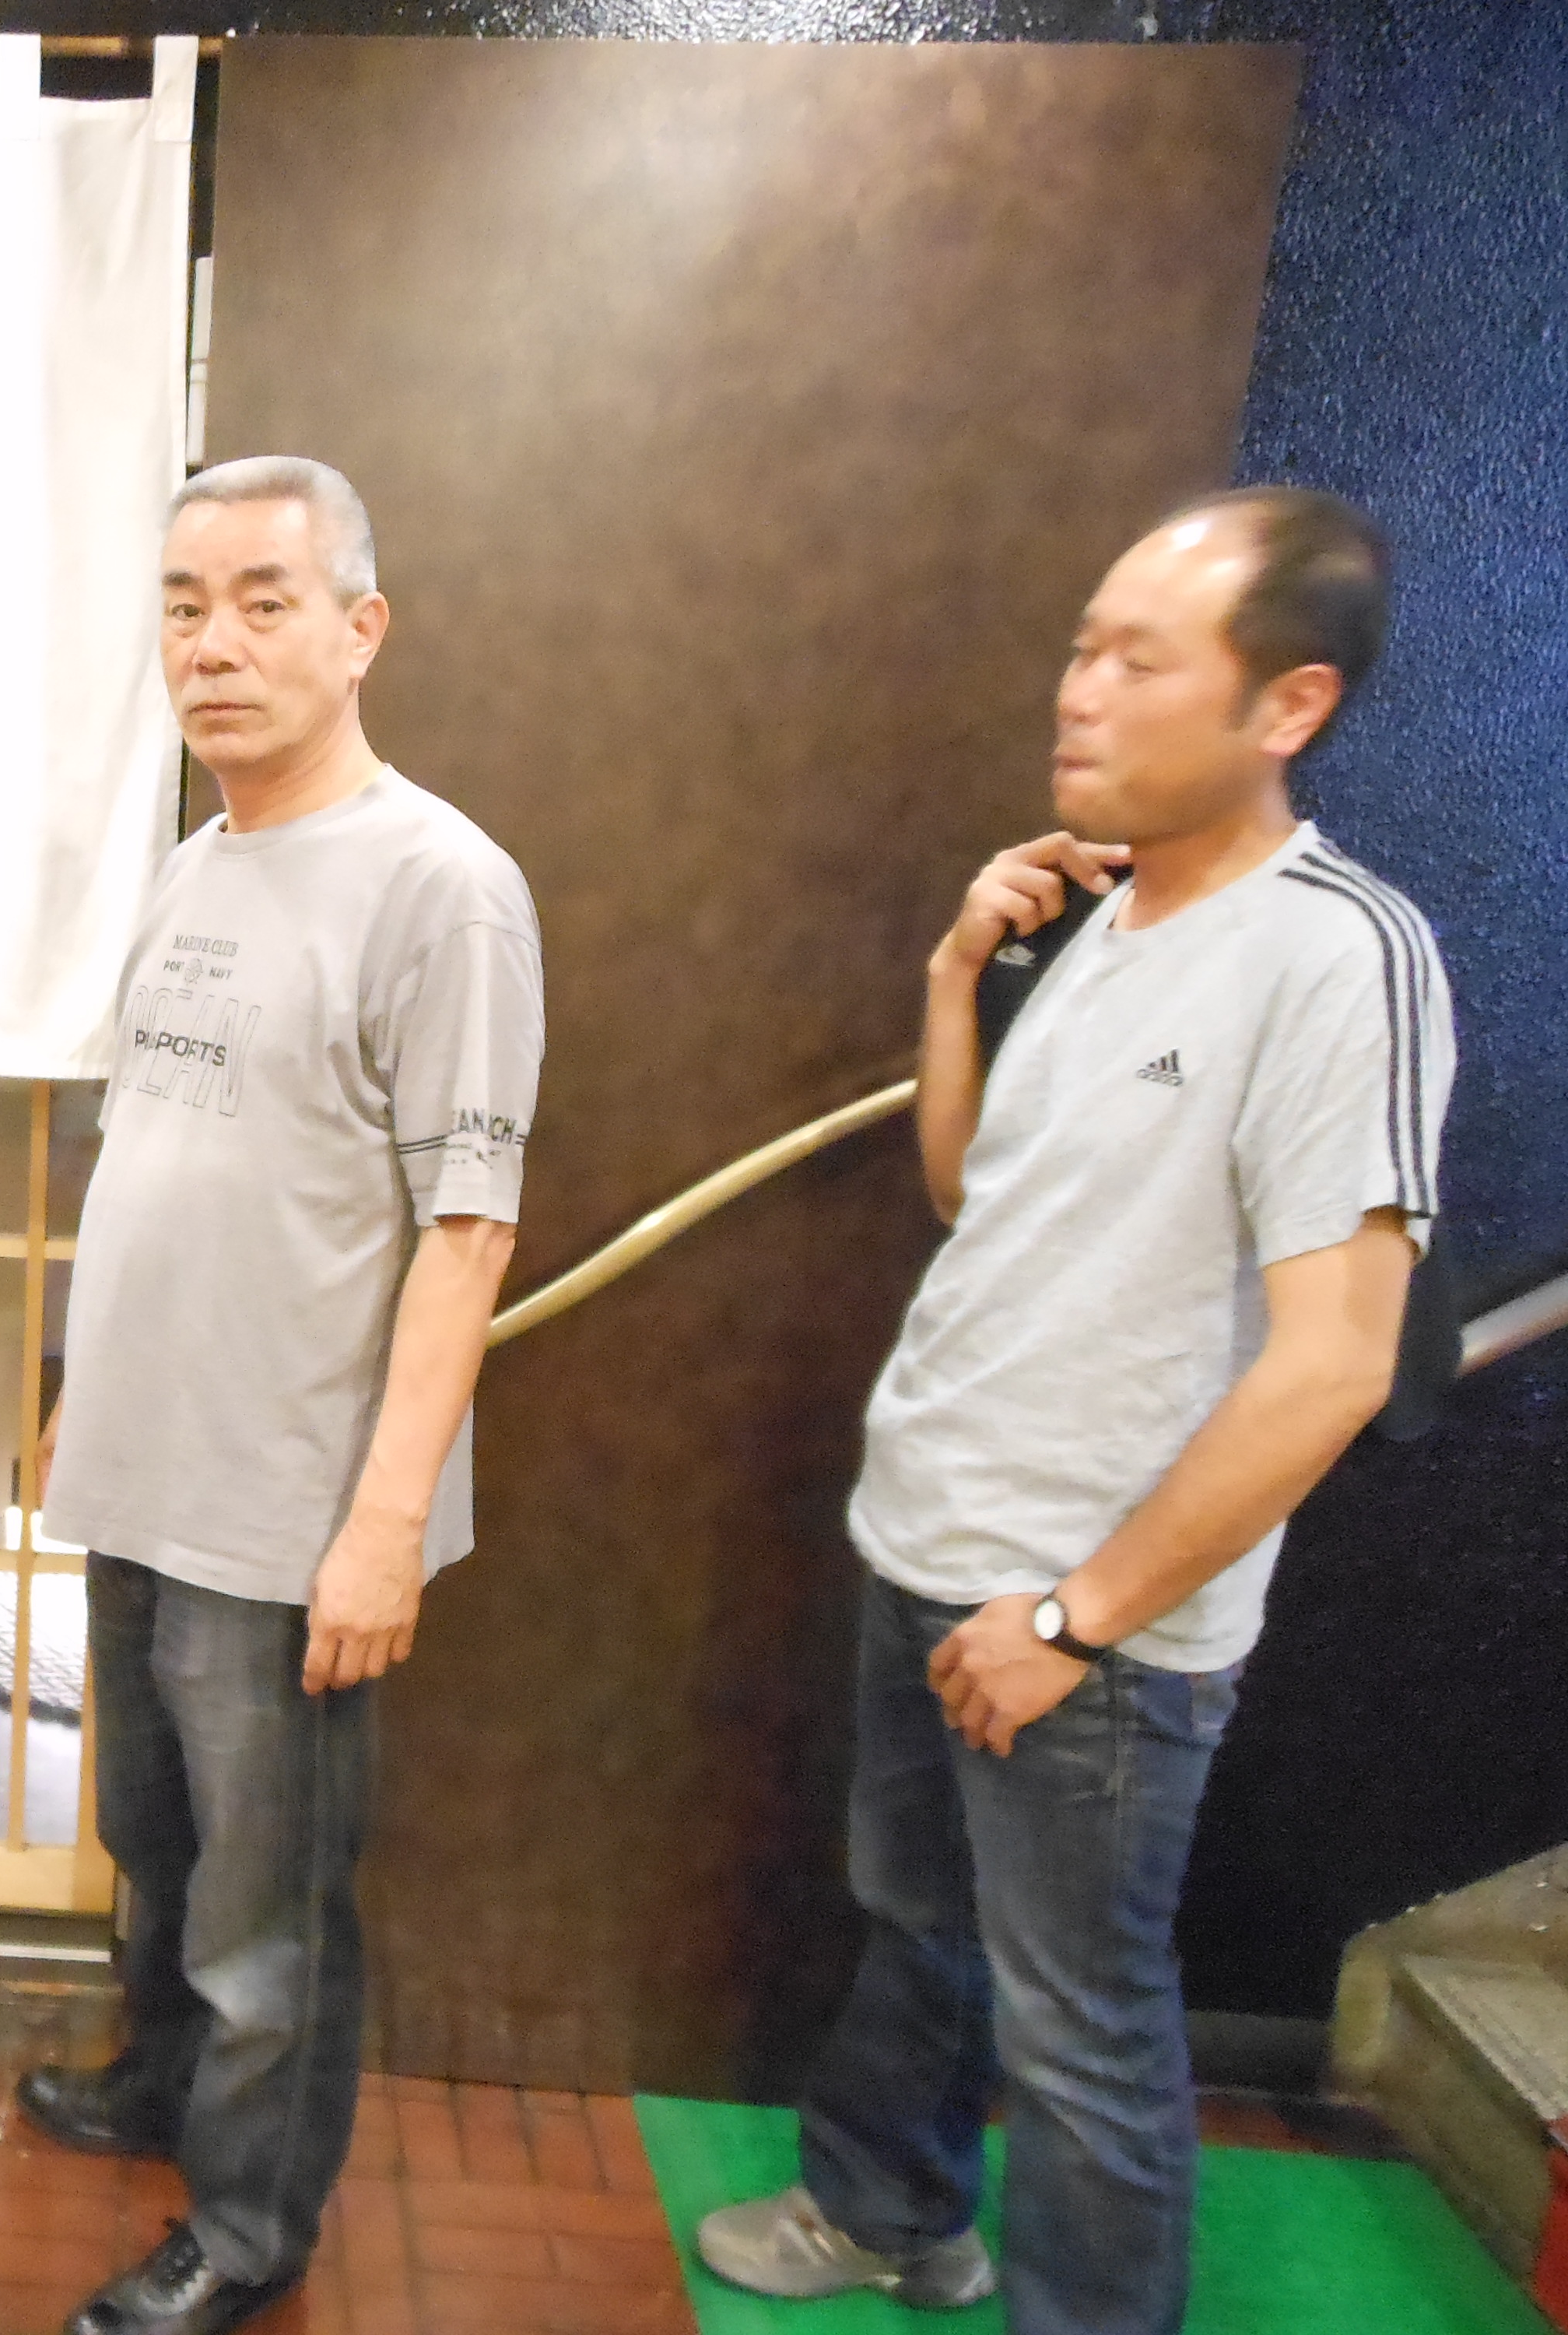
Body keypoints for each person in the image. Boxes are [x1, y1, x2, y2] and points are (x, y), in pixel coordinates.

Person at [698, 486, 1451, 2335]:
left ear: (1284, 705)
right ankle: (888, 2211)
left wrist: (1070, 1618)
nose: (1078, 692)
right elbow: (974, 1193)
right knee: (917, 1925)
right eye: (1079, 648)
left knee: (1080, 2028)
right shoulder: (1099, 921)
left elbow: (1334, 1361)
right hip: (934, 1541)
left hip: (1088, 1626)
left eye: (1137, 659)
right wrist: (958, 975)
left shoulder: (1336, 953)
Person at [30, 456, 545, 2335]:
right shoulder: (198, 859)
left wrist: (383, 1525)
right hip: (142, 1467)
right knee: (151, 1846)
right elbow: (155, 1161)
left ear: (358, 628)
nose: (214, 643)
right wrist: (78, 1397)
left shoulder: (442, 888)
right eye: (183, 605)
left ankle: (246, 2232)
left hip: (288, 1508)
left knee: (269, 1914)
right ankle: (155, 2089)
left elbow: (468, 1233)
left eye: (263, 600)